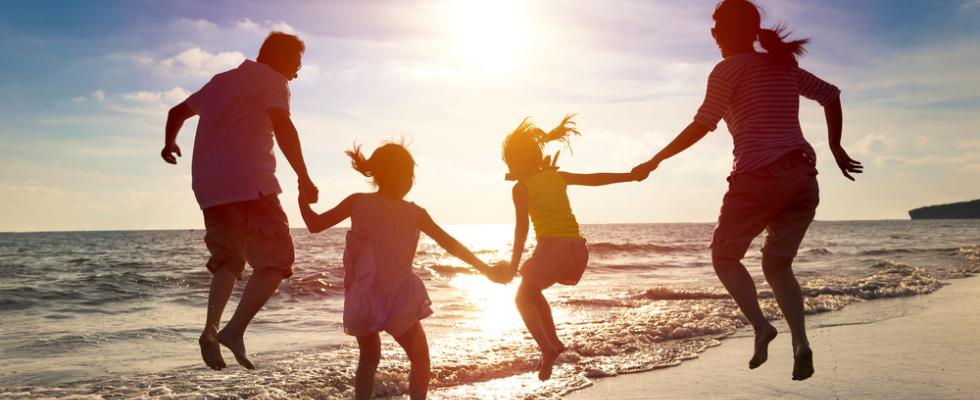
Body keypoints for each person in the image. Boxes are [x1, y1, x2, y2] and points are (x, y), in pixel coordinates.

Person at [631, 0, 863, 381]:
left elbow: (703, 123)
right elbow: (831, 95)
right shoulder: (782, 65)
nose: (713, 32)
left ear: (722, 32)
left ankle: (760, 326)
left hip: (758, 177)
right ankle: (800, 343)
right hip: (803, 178)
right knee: (778, 264)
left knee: (724, 256)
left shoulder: (727, 69)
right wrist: (836, 146)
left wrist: (655, 160)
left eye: (716, 25)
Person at [160, 32, 319, 371]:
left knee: (229, 259)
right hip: (252, 183)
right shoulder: (273, 80)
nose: (297, 73)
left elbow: (177, 112)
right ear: (281, 58)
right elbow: (283, 125)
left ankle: (210, 329)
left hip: (209, 188)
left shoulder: (220, 81)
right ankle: (234, 331)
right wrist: (304, 176)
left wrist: (169, 144)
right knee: (278, 260)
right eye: (296, 64)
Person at [298, 141, 506, 400]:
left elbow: (315, 224)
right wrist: (484, 268)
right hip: (398, 298)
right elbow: (449, 243)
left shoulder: (357, 202)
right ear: (402, 177)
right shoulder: (415, 213)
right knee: (420, 356)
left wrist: (302, 199)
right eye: (409, 174)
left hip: (363, 298)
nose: (411, 180)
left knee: (369, 357)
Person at [499, 114, 643, 381]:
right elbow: (595, 179)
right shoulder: (558, 177)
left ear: (518, 162)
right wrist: (630, 176)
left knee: (521, 298)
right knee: (533, 293)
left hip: (552, 249)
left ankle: (547, 346)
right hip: (577, 250)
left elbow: (521, 230)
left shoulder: (521, 188)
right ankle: (553, 344)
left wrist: (511, 264)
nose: (508, 168)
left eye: (509, 163)